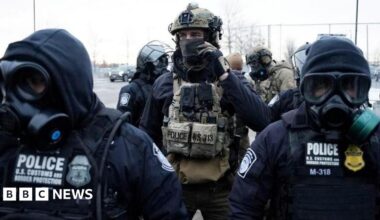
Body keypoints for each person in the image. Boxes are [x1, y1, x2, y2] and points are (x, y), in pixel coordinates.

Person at [0, 29, 187, 220]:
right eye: (8, 85)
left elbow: (169, 212)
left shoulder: (129, 147)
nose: (15, 98)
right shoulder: (7, 141)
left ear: (70, 84)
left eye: (35, 81)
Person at [139, 3, 269, 219]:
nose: (189, 41)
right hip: (176, 188)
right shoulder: (164, 83)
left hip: (224, 190)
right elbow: (145, 136)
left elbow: (264, 122)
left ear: (211, 38)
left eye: (196, 34)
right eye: (183, 35)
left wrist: (224, 76)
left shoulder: (233, 81)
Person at [229, 37, 380, 219]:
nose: (335, 97)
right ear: (306, 89)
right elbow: (243, 208)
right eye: (322, 85)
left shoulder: (375, 139)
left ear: (363, 91)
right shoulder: (275, 138)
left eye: (348, 85)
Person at [117, 40, 171, 126]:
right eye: (158, 61)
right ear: (147, 64)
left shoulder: (164, 86)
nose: (163, 65)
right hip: (140, 138)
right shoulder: (130, 90)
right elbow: (123, 126)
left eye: (165, 60)